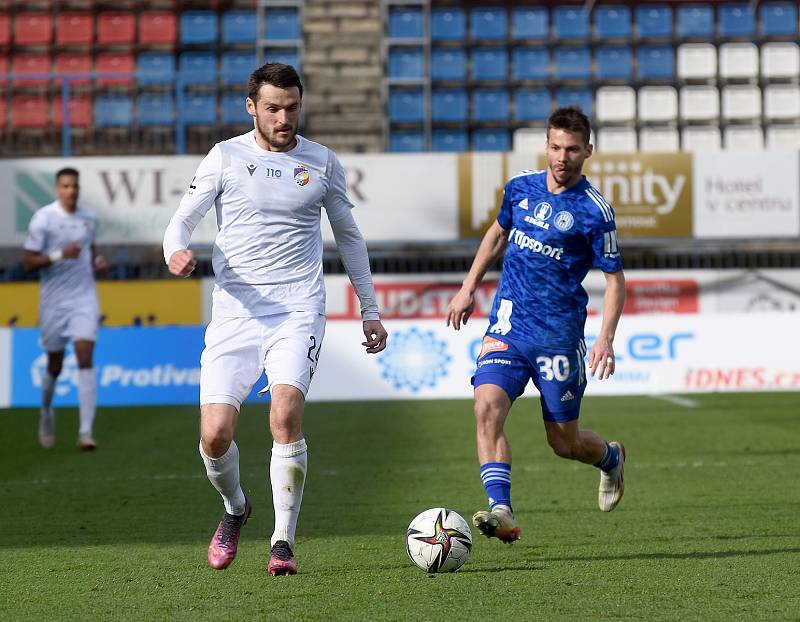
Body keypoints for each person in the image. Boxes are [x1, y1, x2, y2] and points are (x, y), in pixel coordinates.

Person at [163, 63, 388, 575]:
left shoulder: (322, 162)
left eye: (291, 107)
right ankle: (236, 509)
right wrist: (175, 250)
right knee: (215, 435)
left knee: (285, 416)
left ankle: (283, 541)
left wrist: (369, 310)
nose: (284, 118)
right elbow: (181, 221)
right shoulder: (225, 157)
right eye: (273, 108)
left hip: (297, 308)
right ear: (252, 108)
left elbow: (349, 236)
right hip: (235, 313)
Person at [445, 106, 626, 544]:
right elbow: (497, 232)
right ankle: (501, 509)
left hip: (559, 337)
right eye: (555, 147)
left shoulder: (594, 211)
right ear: (546, 145)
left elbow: (615, 278)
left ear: (587, 152)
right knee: (486, 406)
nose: (561, 157)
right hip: (508, 325)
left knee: (564, 444)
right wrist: (469, 286)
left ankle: (610, 458)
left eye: (571, 150)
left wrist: (605, 338)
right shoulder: (520, 189)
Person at [22, 167, 107, 451]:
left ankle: (86, 432)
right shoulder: (44, 219)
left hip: (84, 299)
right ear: (57, 189)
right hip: (54, 302)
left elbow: (91, 250)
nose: (71, 191)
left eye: (75, 186)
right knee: (55, 364)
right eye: (66, 186)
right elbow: (28, 262)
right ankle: (46, 411)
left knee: (85, 356)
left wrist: (98, 262)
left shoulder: (89, 217)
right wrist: (60, 254)